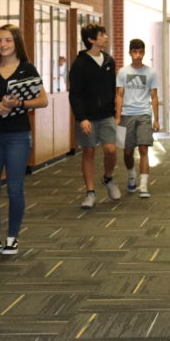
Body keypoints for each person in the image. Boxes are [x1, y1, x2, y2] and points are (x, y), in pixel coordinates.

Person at [0, 24, 48, 257]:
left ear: (16, 43)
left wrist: (20, 104)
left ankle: (12, 238)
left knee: (15, 189)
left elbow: (43, 100)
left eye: (7, 40)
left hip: (18, 135)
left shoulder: (27, 69)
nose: (2, 45)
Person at [69, 23, 119, 209]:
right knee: (89, 152)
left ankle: (108, 178)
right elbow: (74, 93)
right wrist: (82, 117)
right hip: (87, 117)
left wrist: (114, 112)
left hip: (106, 115)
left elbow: (111, 89)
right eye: (101, 34)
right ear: (91, 40)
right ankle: (90, 193)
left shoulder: (109, 61)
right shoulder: (80, 64)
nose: (105, 37)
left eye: (105, 34)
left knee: (111, 150)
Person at [116, 38, 160, 197]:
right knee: (127, 152)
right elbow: (119, 95)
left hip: (144, 114)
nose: (138, 55)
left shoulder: (151, 73)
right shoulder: (123, 72)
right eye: (135, 52)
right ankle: (131, 175)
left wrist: (156, 119)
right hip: (126, 114)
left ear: (144, 53)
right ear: (130, 53)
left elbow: (154, 96)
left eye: (140, 52)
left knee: (143, 149)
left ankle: (143, 186)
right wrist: (117, 117)